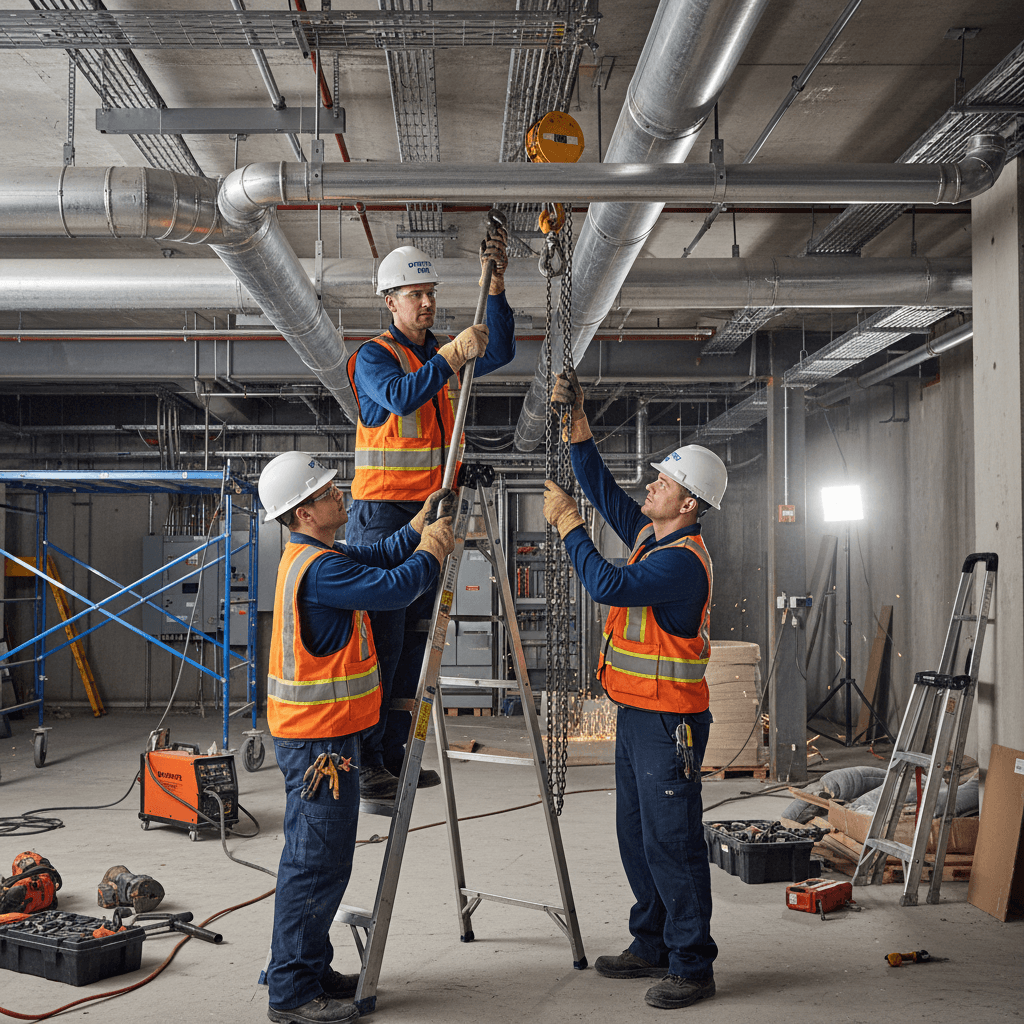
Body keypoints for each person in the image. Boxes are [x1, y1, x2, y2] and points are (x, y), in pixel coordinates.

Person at [542, 372, 728, 1012]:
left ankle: (692, 964)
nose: (651, 487)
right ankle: (651, 941)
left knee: (672, 842)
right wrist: (577, 426)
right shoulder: (654, 537)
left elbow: (608, 587)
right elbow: (603, 490)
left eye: (664, 483)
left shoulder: (680, 562)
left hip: (668, 723)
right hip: (637, 714)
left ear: (689, 503)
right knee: (636, 835)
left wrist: (569, 527)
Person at [258, 450, 454, 1024]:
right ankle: (292, 992)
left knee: (321, 860)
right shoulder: (321, 570)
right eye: (325, 493)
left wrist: (418, 524)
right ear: (302, 513)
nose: (338, 494)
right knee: (314, 864)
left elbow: (381, 554)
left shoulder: (320, 555)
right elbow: (395, 588)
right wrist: (434, 549)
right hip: (318, 744)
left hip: (325, 738)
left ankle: (310, 967)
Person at [344, 230, 515, 800]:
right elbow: (400, 397)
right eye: (414, 294)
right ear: (389, 301)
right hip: (384, 517)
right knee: (384, 644)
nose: (426, 302)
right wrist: (450, 356)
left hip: (431, 514)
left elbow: (500, 349)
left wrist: (495, 288)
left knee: (415, 647)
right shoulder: (374, 356)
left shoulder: (443, 357)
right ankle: (366, 762)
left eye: (430, 293)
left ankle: (395, 757)